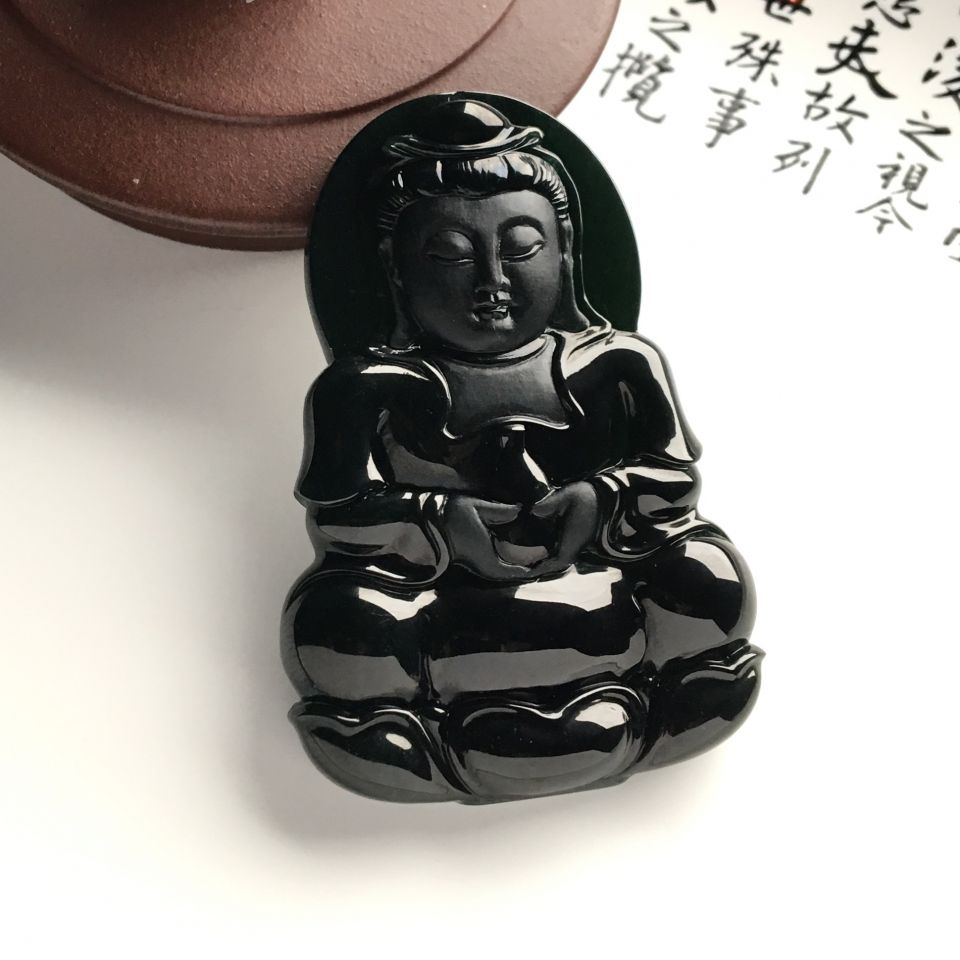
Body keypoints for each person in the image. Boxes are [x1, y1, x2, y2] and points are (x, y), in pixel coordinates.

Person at [282, 99, 762, 803]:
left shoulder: (619, 362)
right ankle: (636, 717)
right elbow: (339, 518)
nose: (493, 283)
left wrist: (596, 500)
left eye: (521, 249)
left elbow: (673, 483)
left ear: (565, 251)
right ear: (396, 268)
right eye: (451, 255)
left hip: (601, 585)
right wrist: (446, 523)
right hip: (446, 608)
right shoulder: (365, 386)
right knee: (343, 617)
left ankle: (434, 746)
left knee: (702, 570)